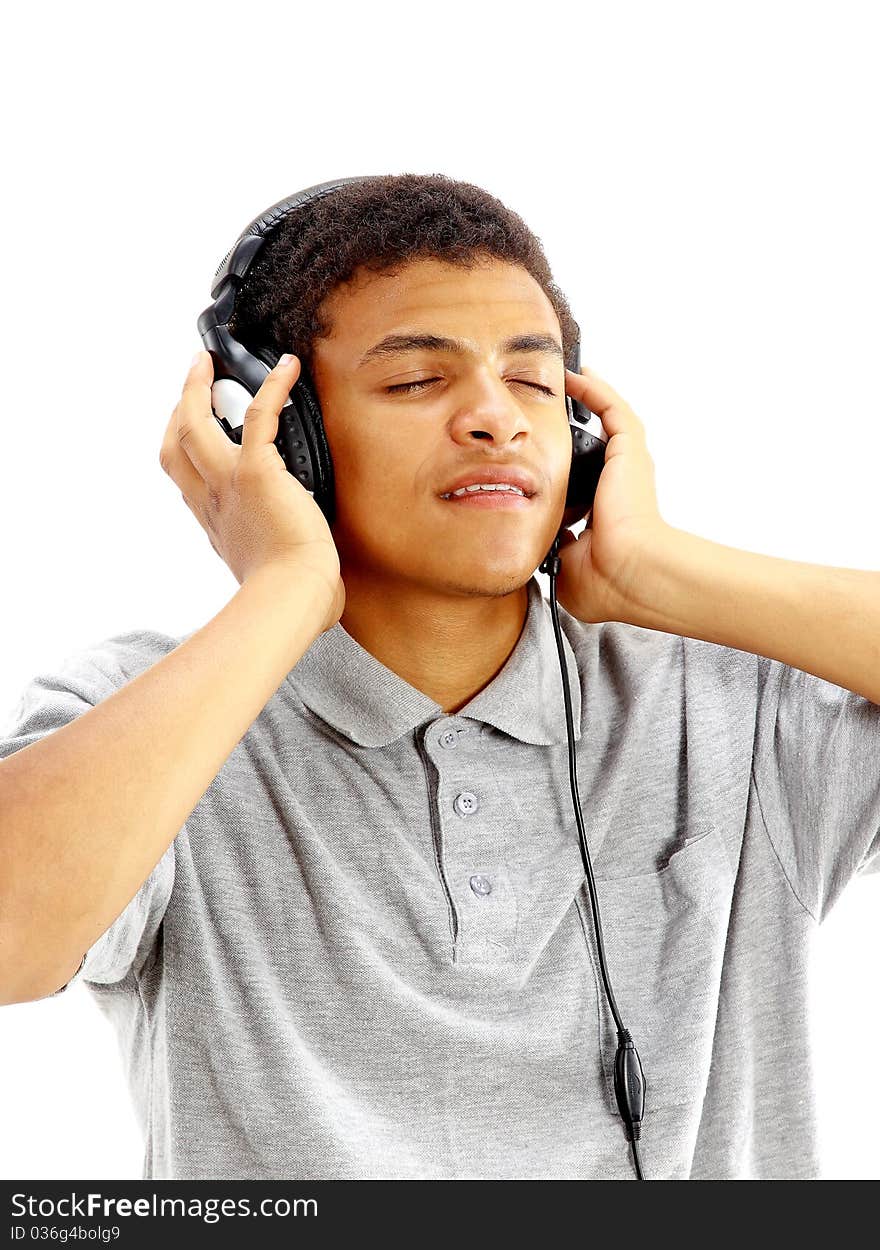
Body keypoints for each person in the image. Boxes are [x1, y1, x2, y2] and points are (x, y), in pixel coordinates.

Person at [0, 173, 877, 1182]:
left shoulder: (735, 708)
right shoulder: (146, 715)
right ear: (286, 432)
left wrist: (661, 571)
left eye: (535, 384)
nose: (494, 419)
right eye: (418, 380)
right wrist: (285, 588)